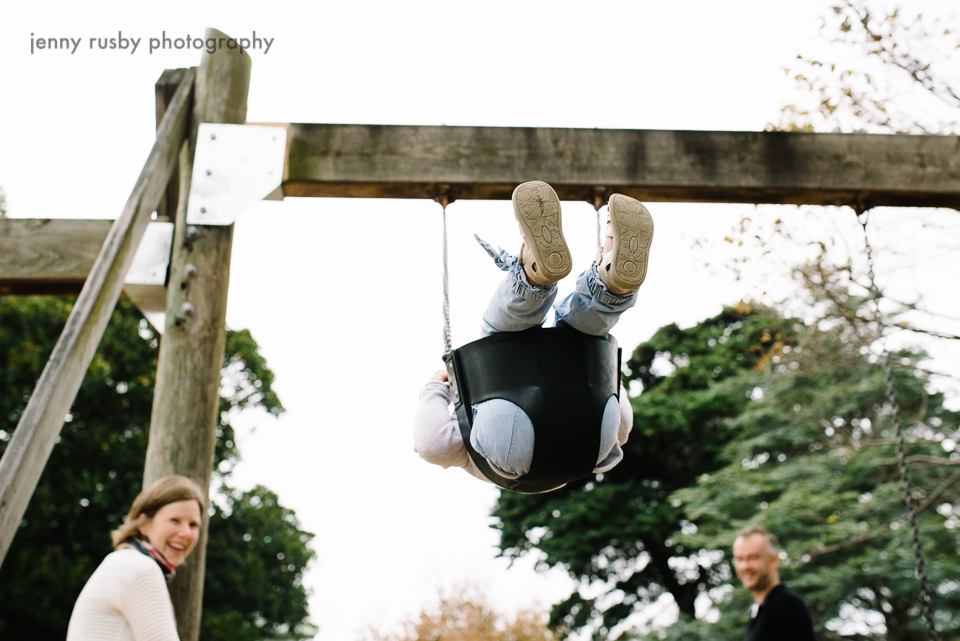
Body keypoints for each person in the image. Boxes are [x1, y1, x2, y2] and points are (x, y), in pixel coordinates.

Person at [414, 180, 654, 490]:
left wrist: (614, 384)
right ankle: (533, 277)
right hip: (512, 437)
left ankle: (612, 286)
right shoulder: (476, 458)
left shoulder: (582, 457)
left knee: (583, 334)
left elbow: (622, 429)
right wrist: (437, 386)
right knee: (502, 336)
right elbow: (431, 445)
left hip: (595, 437)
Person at [66, 475, 206, 641]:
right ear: (143, 524)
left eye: (193, 525)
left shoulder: (122, 561)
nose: (186, 533)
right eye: (175, 521)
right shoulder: (140, 568)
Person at [733, 526, 816, 641]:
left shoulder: (787, 607)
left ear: (773, 561)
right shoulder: (760, 611)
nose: (745, 566)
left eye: (753, 558)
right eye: (739, 559)